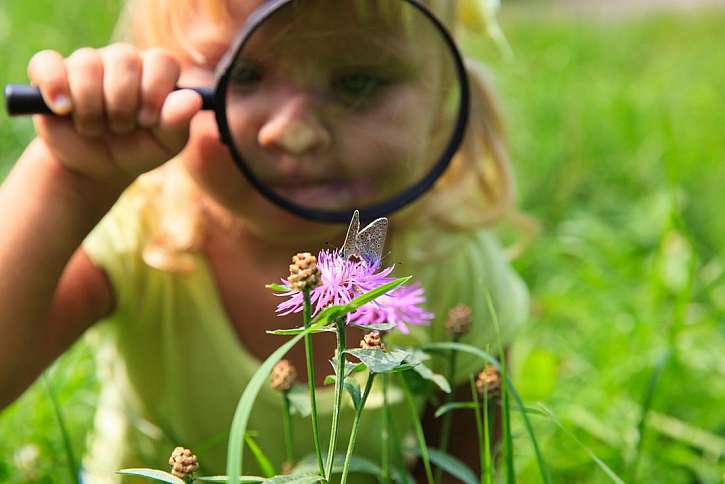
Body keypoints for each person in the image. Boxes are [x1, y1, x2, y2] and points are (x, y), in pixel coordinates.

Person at [0, 0, 529, 482]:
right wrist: (69, 180)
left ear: (443, 103)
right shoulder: (142, 230)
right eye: (245, 75)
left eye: (358, 83)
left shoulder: (452, 262)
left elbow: (458, 464)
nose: (293, 133)